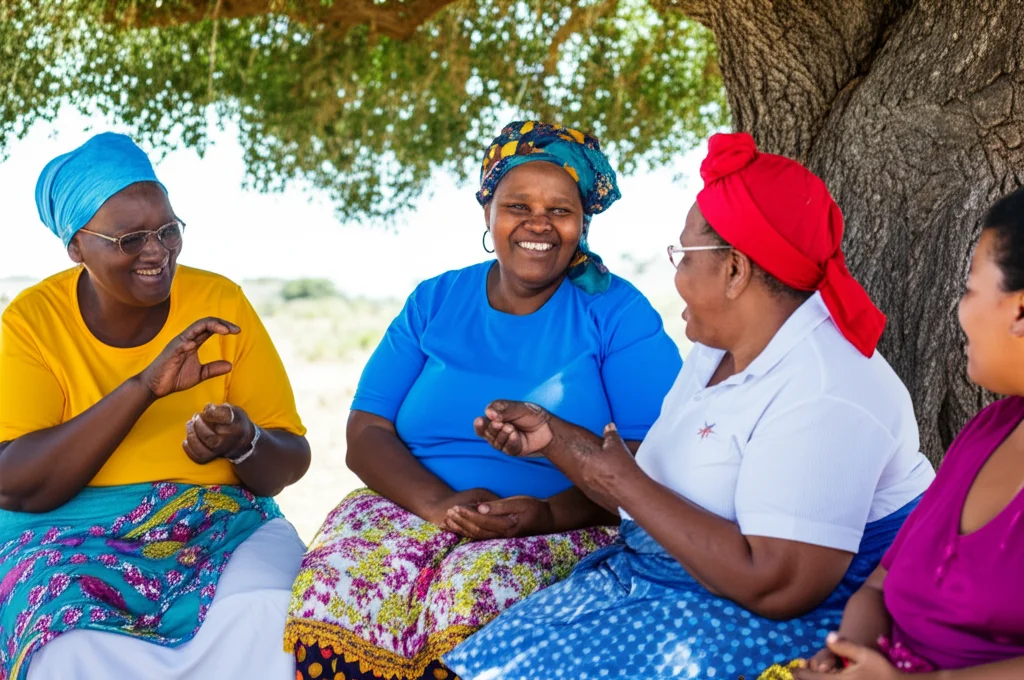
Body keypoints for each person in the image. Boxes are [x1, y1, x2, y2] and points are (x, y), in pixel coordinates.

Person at [443, 131, 936, 680]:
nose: (673, 276)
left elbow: (778, 586)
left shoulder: (827, 387)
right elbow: (648, 476)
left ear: (734, 270)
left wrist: (627, 486)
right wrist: (553, 436)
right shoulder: (715, 352)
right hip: (666, 584)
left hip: (765, 619)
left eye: (682, 255)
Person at [285, 120, 681, 680]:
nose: (537, 224)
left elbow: (654, 457)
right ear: (487, 213)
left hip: (565, 527)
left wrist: (547, 514)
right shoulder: (436, 300)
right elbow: (367, 429)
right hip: (413, 510)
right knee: (335, 586)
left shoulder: (616, 313)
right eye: (517, 205)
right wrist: (439, 505)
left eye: (560, 210)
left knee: (475, 595)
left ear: (582, 222)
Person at [0, 133, 311, 680]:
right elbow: (19, 485)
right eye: (130, 238)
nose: (157, 251)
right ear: (77, 247)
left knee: (270, 610)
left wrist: (245, 442)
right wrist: (143, 387)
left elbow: (290, 459)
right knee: (65, 638)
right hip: (68, 536)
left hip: (221, 525)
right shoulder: (32, 323)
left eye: (169, 230)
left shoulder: (220, 302)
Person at [776, 188, 1024, 680]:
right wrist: (847, 656)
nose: (961, 311)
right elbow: (878, 586)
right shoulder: (985, 433)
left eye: (971, 289)